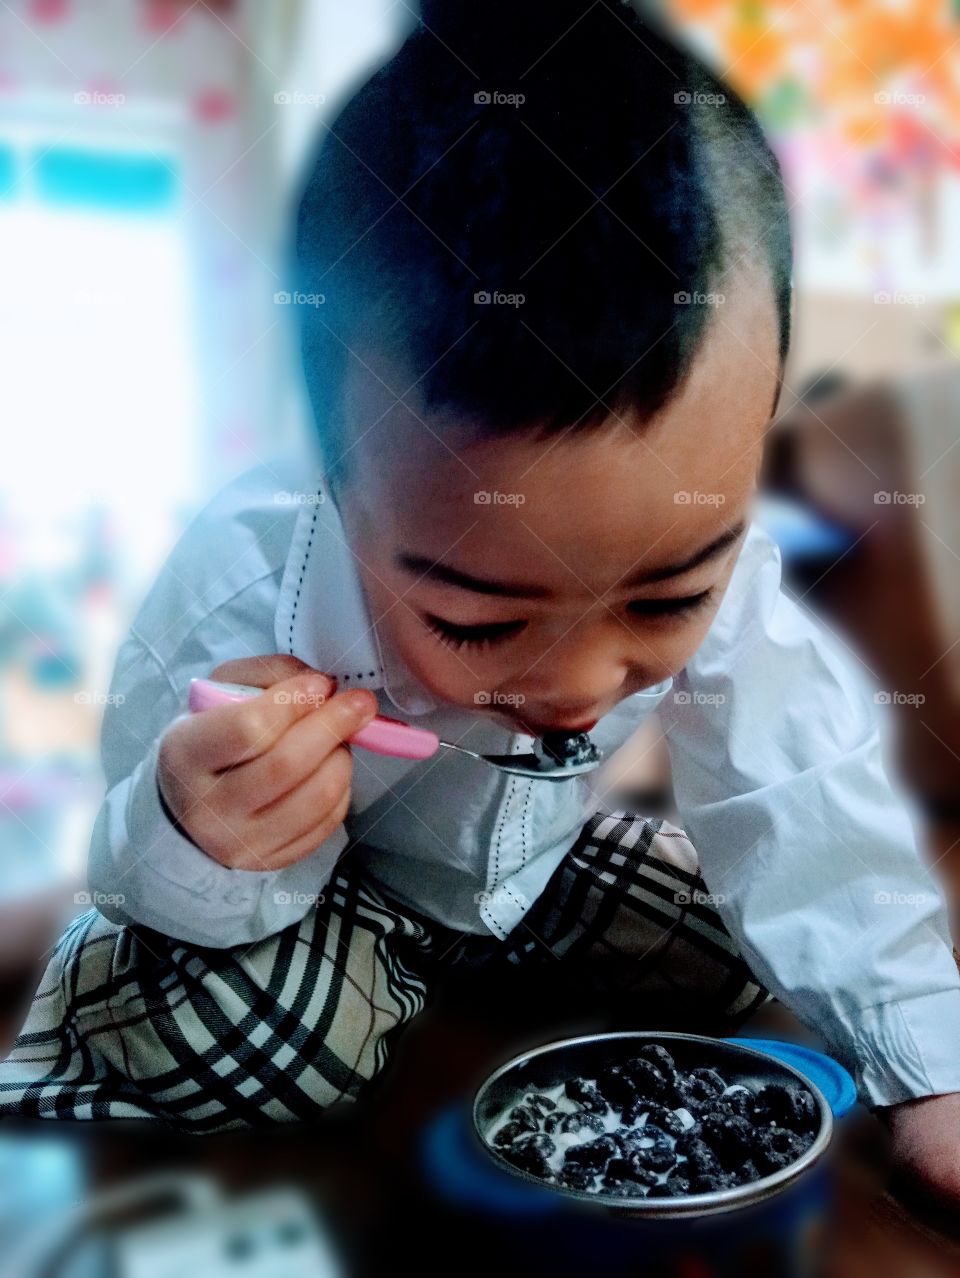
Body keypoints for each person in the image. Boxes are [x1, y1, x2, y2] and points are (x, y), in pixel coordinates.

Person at [1, 0, 958, 1210]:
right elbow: (140, 853)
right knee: (258, 1049)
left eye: (666, 598)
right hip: (307, 898)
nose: (574, 686)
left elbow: (803, 793)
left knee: (754, 939)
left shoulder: (727, 558)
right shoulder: (244, 587)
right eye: (479, 622)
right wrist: (202, 832)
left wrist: (931, 1075)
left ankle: (441, 970)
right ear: (337, 482)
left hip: (526, 874)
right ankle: (338, 975)